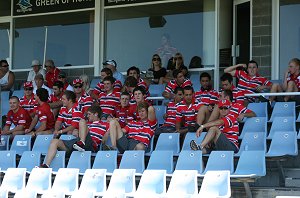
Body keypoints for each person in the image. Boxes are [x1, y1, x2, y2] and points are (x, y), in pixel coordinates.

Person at [40, 105, 110, 168]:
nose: (87, 116)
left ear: (96, 114)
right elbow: (76, 131)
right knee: (54, 141)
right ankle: (46, 165)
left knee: (82, 121)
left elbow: (106, 136)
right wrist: (76, 131)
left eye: (89, 114)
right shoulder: (87, 124)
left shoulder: (105, 124)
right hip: (77, 143)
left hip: (91, 144)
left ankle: (82, 143)